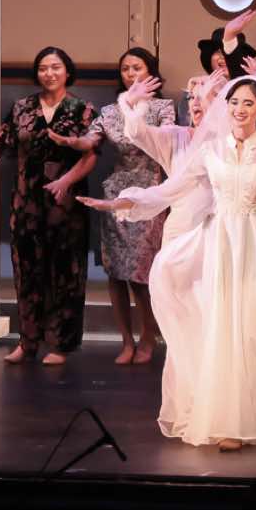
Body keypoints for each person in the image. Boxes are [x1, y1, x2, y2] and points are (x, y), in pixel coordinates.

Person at [80, 71, 256, 448]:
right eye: (234, 102)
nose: (240, 109)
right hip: (219, 245)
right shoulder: (210, 151)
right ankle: (226, 419)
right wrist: (126, 202)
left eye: (248, 103)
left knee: (255, 327)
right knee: (222, 326)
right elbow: (171, 189)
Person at [0, 46, 96, 366]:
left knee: (65, 272)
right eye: (43, 68)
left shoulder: (82, 109)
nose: (49, 73)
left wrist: (66, 181)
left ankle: (60, 344)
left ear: (67, 71)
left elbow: (91, 155)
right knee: (26, 271)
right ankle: (28, 340)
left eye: (55, 67)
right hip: (27, 202)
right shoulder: (22, 107)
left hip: (65, 203)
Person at [74, 48, 178, 364]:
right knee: (116, 272)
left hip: (150, 192)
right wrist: (70, 141)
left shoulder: (163, 107)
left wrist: (134, 108)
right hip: (116, 192)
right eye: (126, 69)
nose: (131, 74)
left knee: (141, 271)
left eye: (137, 68)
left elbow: (164, 141)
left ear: (151, 71)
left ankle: (149, 335)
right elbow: (90, 140)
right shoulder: (109, 111)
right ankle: (126, 339)